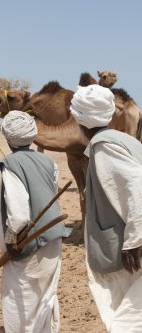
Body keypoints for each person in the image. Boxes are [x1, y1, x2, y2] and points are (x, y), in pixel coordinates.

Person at [70, 84, 142, 332]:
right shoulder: (123, 140)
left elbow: (136, 185)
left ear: (78, 119)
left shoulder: (105, 147)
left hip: (130, 251)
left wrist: (134, 240)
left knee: (125, 324)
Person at [0, 110, 71, 333]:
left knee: (20, 300)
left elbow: (19, 215)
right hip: (53, 238)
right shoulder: (49, 162)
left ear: (8, 139)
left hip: (26, 244)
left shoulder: (10, 164)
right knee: (45, 295)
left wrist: (11, 239)